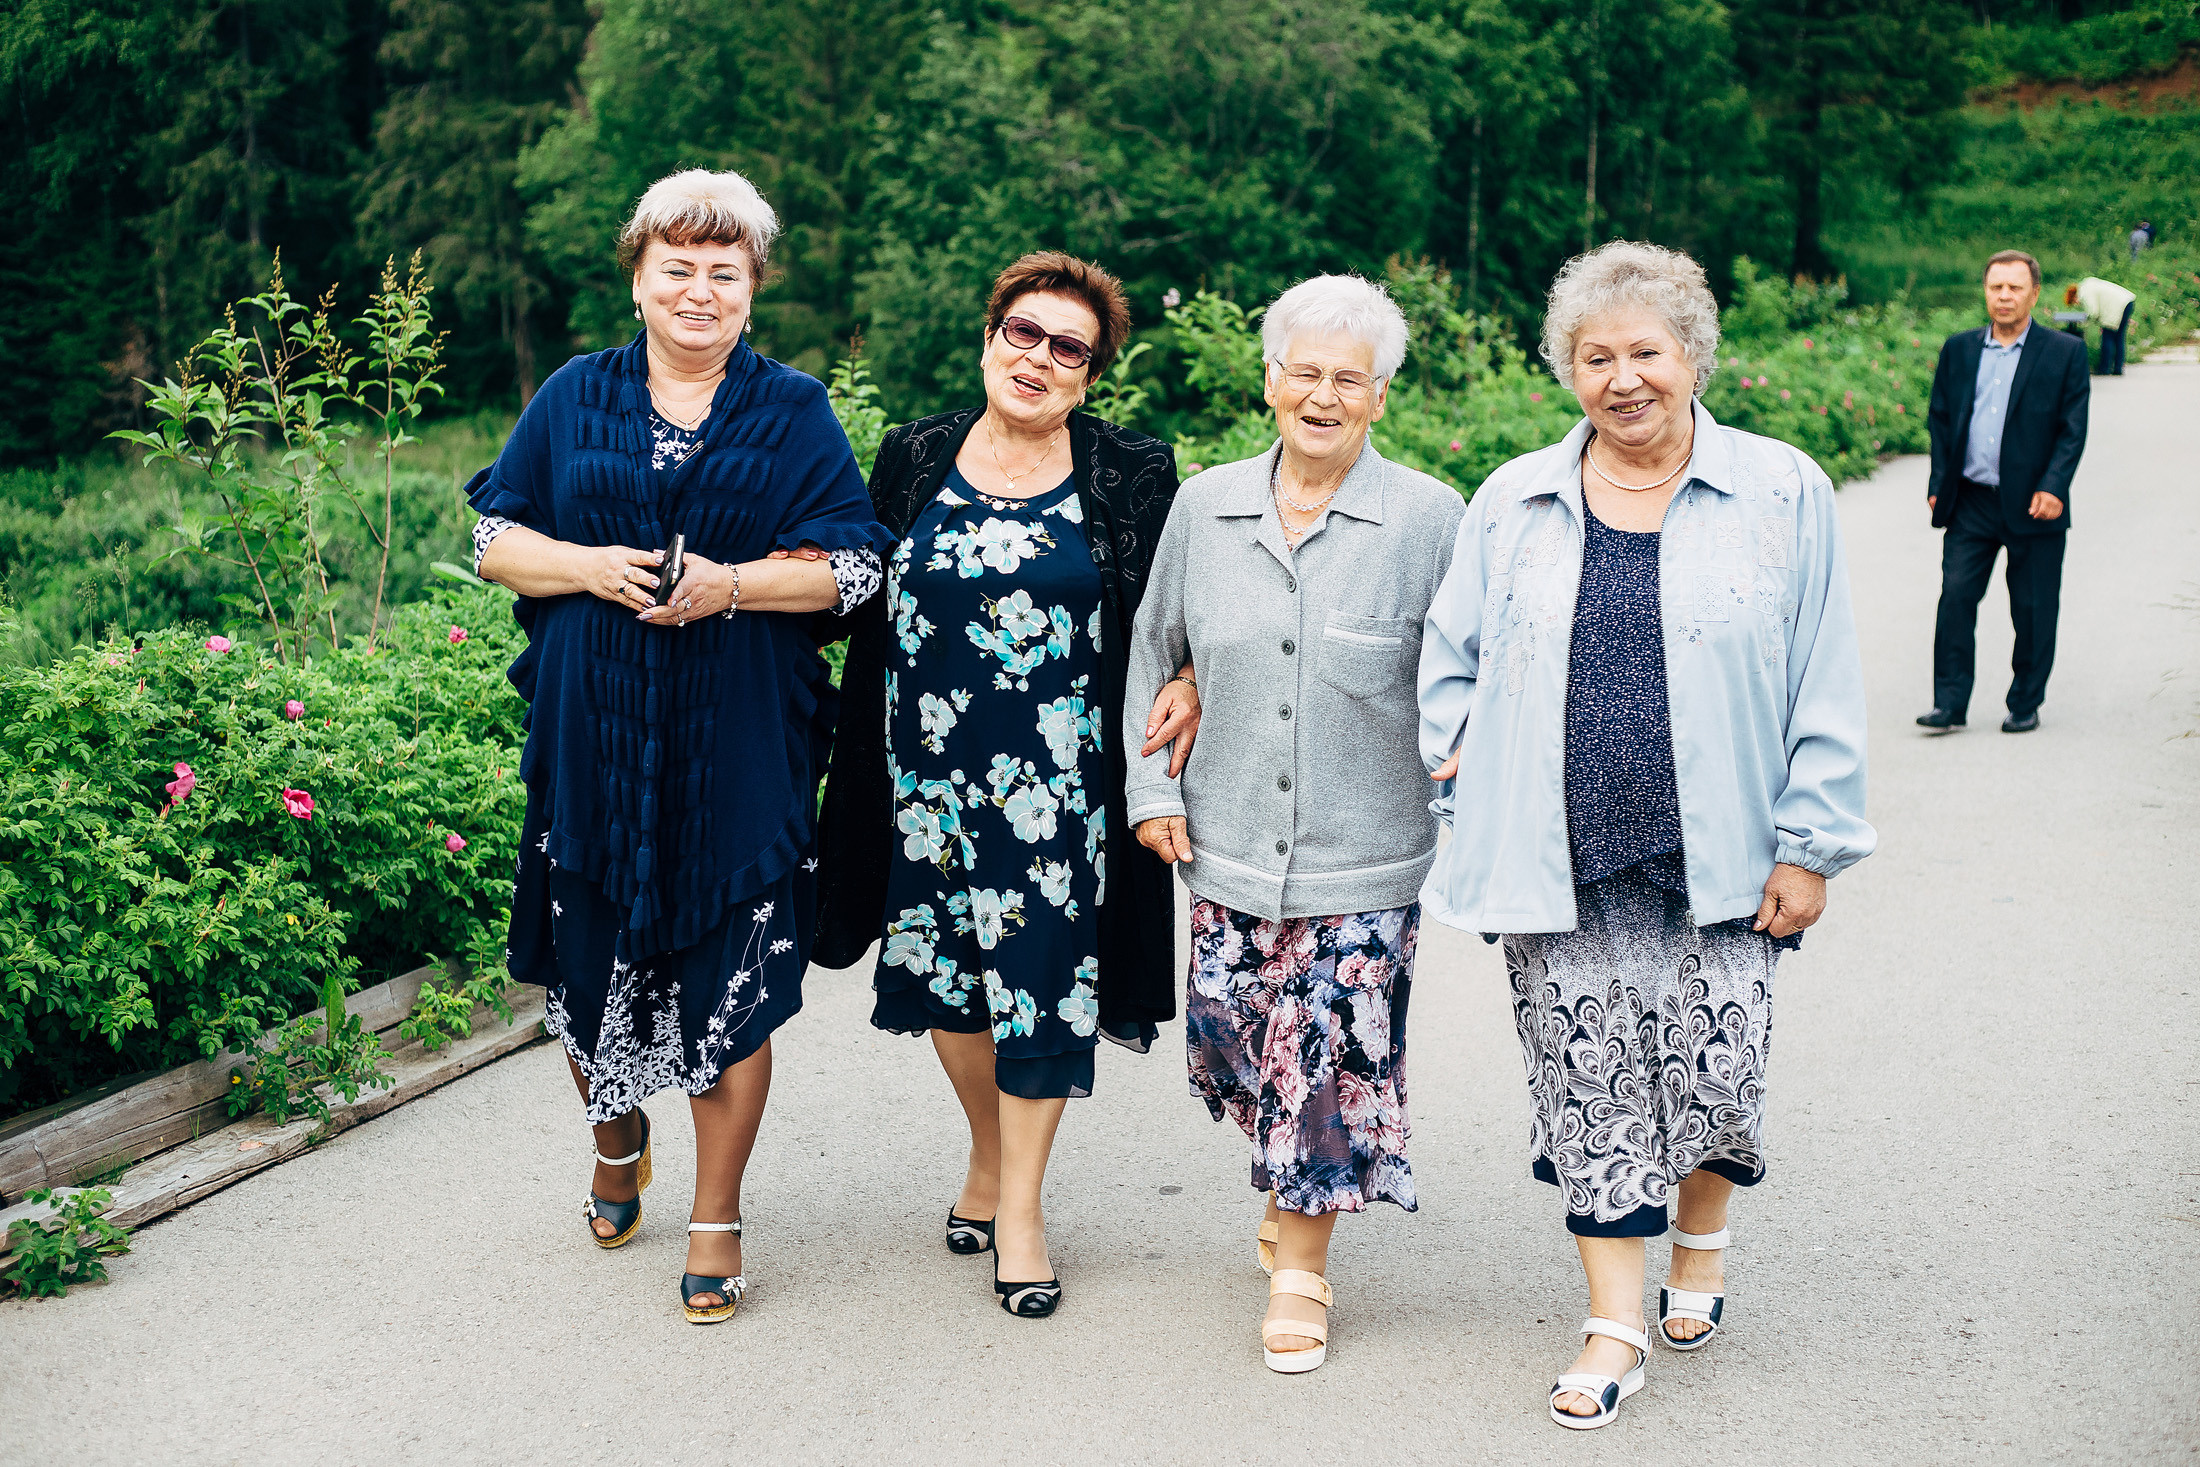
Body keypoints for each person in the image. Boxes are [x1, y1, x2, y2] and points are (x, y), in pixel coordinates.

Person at [1417, 241, 1874, 1429]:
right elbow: (1448, 663)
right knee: (1591, 1091)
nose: (1621, 379)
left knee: (1716, 1082)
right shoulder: (1512, 498)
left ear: (1690, 358)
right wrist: (1462, 777)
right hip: (1554, 856)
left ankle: (1702, 1242)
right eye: (1592, 356)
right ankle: (1611, 1327)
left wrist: (1809, 845)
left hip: (1721, 859)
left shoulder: (1781, 490)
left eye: (1643, 352)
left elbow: (1822, 676)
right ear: (1567, 370)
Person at [469, 168, 890, 1325]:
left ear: (752, 291)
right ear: (639, 282)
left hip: (740, 744)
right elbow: (496, 536)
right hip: (592, 736)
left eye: (723, 272)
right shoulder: (572, 396)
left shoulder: (794, 410)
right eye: (677, 270)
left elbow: (857, 568)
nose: (698, 291)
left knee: (732, 987)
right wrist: (591, 567)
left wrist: (735, 587)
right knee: (581, 968)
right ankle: (616, 1140)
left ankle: (717, 1211)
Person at [813, 252, 1194, 1320]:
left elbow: (1176, 605)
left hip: (1058, 795)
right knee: (949, 990)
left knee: (1038, 991)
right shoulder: (916, 453)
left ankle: (1019, 1209)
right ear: (989, 339)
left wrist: (1197, 674)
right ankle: (988, 1154)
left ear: (1091, 372)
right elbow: (850, 584)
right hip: (921, 782)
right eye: (1021, 333)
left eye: (1066, 347)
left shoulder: (1127, 471)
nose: (1037, 358)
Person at [1124, 273, 1465, 1375]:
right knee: (1230, 1041)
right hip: (1223, 841)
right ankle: (1287, 1163)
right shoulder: (1206, 505)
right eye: (1303, 372)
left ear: (1378, 400)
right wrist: (1151, 792)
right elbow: (1152, 646)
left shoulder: (1427, 518)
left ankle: (1301, 1268)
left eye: (1347, 380)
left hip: (1366, 855)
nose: (1321, 395)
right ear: (1269, 380)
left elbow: (1470, 672)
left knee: (1320, 1054)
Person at [1919, 249, 2089, 735]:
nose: (2005, 296)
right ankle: (1949, 703)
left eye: (2015, 287)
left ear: (2034, 293)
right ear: (1986, 291)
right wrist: (1938, 482)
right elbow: (1941, 418)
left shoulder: (2064, 352)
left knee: (2033, 608)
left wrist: (2054, 486)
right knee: (1955, 598)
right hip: (1970, 499)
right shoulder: (1960, 349)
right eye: (1997, 287)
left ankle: (2025, 701)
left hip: (2035, 503)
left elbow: (2072, 428)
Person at [2069, 276, 2137, 376]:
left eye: (2074, 302)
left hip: (2116, 307)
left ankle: (2104, 369)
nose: (2077, 304)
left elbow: (2093, 311)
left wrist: (2086, 321)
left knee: (2107, 337)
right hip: (2127, 301)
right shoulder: (2089, 285)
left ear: (2074, 296)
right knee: (2119, 337)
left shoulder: (2084, 292)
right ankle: (2118, 368)